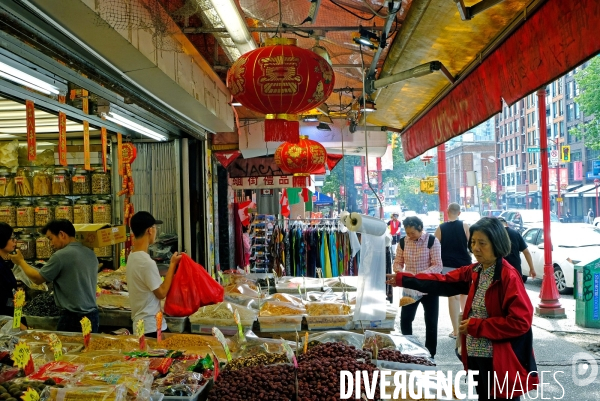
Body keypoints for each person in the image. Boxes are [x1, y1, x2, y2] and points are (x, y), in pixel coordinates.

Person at [387, 217, 538, 401]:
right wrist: (404, 279)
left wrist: (477, 326)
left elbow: (520, 322)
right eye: (473, 242)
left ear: (497, 243)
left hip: (500, 362)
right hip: (478, 358)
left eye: (482, 243)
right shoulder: (476, 270)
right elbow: (444, 281)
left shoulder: (508, 277)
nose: (475, 248)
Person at [10, 220, 99, 333]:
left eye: (51, 238)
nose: (51, 244)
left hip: (73, 318)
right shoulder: (90, 253)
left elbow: (38, 279)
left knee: (69, 349)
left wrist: (21, 262)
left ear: (62, 234)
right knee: (88, 349)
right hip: (93, 316)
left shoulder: (60, 256)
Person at [393, 216, 442, 358]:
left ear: (420, 229)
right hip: (409, 288)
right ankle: (408, 350)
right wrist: (400, 272)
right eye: (407, 233)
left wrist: (419, 276)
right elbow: (397, 262)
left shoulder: (432, 241)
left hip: (429, 286)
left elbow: (438, 265)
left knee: (431, 322)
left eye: (412, 233)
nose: (410, 236)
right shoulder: (403, 242)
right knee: (406, 319)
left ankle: (430, 354)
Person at [127, 211, 182, 338]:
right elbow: (161, 293)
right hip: (151, 327)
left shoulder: (132, 257)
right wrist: (173, 264)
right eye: (155, 228)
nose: (156, 231)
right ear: (149, 231)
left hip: (140, 325)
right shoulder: (146, 262)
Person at [434, 203, 471, 339]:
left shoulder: (441, 228)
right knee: (464, 296)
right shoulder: (465, 226)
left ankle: (455, 330)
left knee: (453, 298)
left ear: (447, 211)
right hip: (465, 266)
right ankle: (466, 327)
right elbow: (471, 244)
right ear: (459, 213)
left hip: (447, 266)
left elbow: (434, 247)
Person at [0, 223, 27, 329]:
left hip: (11, 318)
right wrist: (20, 326)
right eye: (11, 238)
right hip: (4, 322)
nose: (15, 241)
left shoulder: (4, 263)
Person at [498, 217, 536, 282]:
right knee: (516, 291)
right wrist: (532, 268)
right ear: (506, 224)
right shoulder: (515, 233)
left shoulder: (494, 235)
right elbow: (526, 252)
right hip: (515, 270)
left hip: (499, 270)